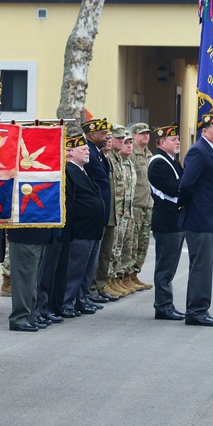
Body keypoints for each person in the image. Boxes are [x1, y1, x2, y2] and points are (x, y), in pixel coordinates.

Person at [177, 112, 213, 326]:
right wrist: (183, 202)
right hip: (200, 218)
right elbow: (187, 183)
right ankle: (196, 311)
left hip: (211, 219)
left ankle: (201, 308)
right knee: (201, 266)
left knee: (205, 266)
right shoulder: (199, 151)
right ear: (204, 131)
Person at [59, 133, 106, 317]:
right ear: (72, 152)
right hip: (81, 229)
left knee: (87, 269)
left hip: (92, 229)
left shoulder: (83, 170)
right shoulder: (70, 170)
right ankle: (67, 302)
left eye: (87, 148)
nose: (87, 151)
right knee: (75, 269)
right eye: (83, 149)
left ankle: (81, 298)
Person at [147, 125, 186, 321]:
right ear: (162, 143)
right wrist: (190, 177)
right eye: (173, 139)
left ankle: (167, 304)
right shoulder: (158, 163)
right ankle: (162, 307)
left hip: (176, 221)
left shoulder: (172, 161)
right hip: (167, 221)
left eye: (178, 139)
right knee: (164, 268)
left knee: (170, 268)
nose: (177, 142)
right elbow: (172, 189)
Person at [81, 118, 117, 303]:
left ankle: (90, 291)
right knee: (88, 257)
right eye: (102, 134)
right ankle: (87, 292)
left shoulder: (99, 154)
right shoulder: (89, 153)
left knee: (98, 254)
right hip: (93, 213)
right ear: (91, 135)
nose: (106, 137)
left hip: (102, 211)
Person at [108, 130, 137, 297]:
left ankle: (118, 278)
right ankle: (108, 280)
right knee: (113, 248)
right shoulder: (111, 160)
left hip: (126, 211)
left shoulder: (125, 161)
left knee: (123, 247)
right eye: (120, 139)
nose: (125, 143)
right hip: (116, 212)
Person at [126, 123, 154, 291]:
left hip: (147, 204)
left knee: (143, 243)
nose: (146, 136)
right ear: (134, 135)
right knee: (132, 242)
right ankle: (126, 275)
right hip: (135, 204)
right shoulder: (131, 154)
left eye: (147, 133)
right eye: (142, 133)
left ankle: (135, 274)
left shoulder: (148, 155)